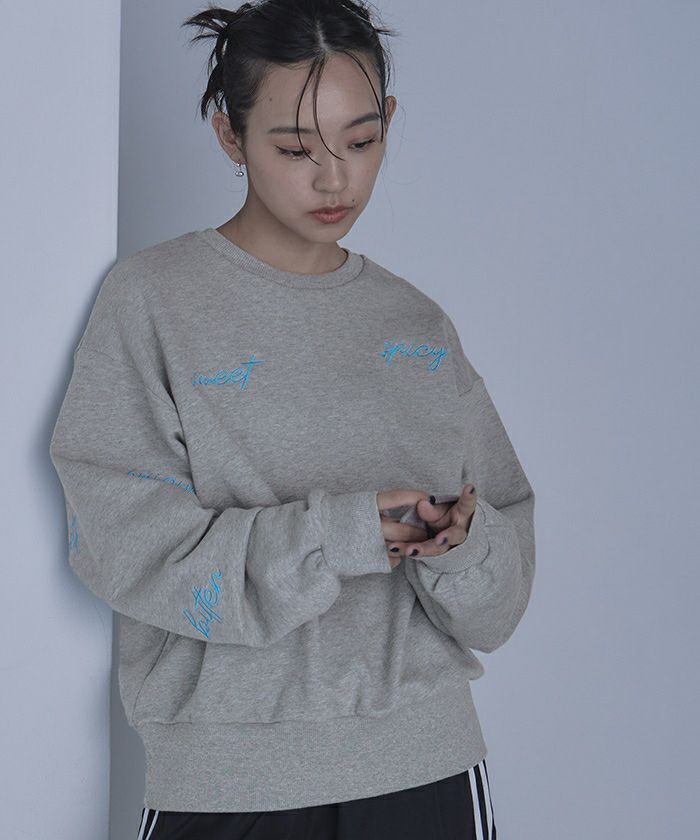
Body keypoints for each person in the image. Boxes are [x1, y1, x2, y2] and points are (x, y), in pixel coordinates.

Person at [49, 1, 536, 837]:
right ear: (229, 136)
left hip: (426, 769)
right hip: (228, 782)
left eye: (361, 141)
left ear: (388, 123)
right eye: (295, 149)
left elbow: (499, 602)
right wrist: (343, 532)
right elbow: (127, 549)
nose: (335, 180)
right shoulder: (153, 302)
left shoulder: (416, 326)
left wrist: (462, 546)